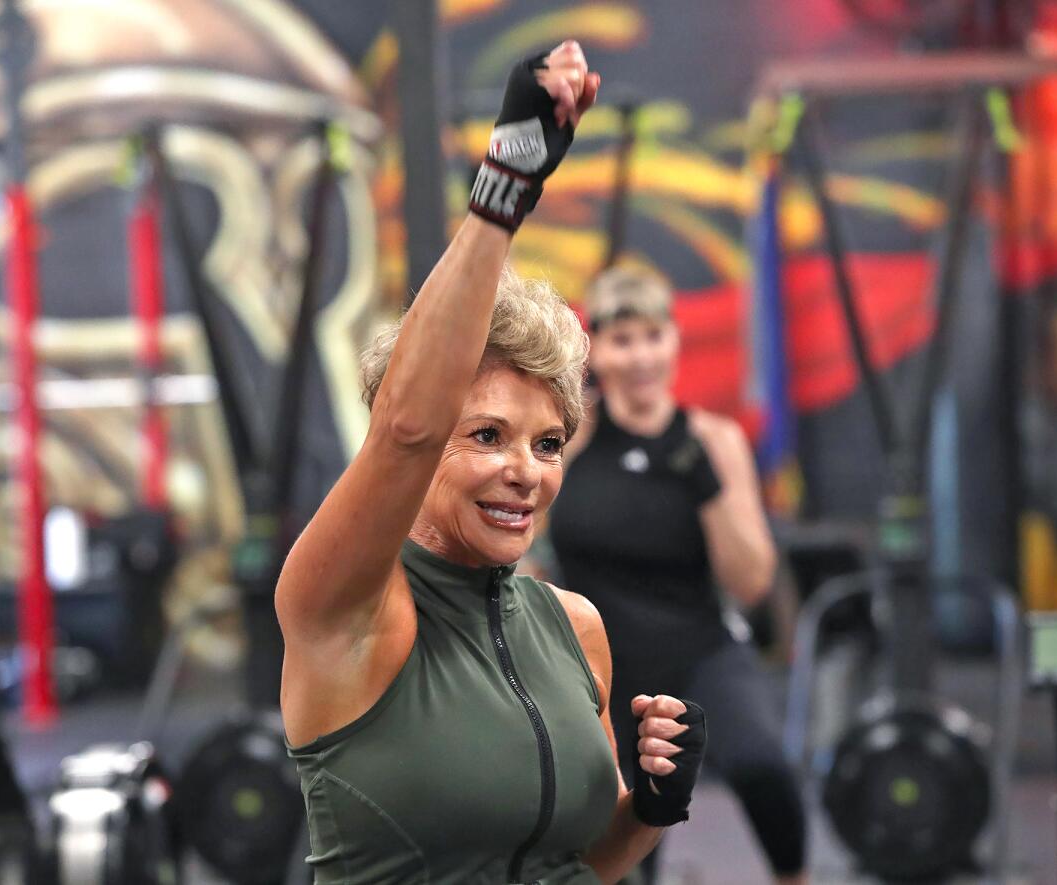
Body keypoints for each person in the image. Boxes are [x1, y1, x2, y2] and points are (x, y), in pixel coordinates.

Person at [275, 43, 707, 884]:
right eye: (485, 435)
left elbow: (581, 858)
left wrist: (650, 807)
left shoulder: (574, 627)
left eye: (547, 444)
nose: (526, 471)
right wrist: (502, 193)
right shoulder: (347, 608)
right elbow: (404, 428)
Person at [548, 267, 808, 885]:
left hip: (700, 650)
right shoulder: (572, 438)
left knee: (763, 766)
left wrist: (707, 486)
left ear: (674, 342)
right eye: (621, 340)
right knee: (626, 826)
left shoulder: (713, 441)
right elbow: (517, 539)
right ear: (596, 352)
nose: (639, 356)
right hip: (602, 669)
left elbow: (752, 583)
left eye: (652, 336)